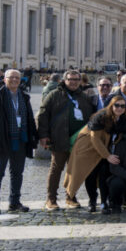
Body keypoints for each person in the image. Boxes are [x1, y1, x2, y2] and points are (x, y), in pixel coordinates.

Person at [37, 70, 94, 210]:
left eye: (76, 79)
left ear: (80, 81)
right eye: (70, 79)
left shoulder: (84, 97)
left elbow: (91, 117)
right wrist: (43, 135)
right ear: (64, 80)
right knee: (56, 169)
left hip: (79, 140)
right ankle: (51, 198)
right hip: (59, 138)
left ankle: (71, 196)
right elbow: (43, 115)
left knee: (74, 170)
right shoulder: (54, 95)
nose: (73, 82)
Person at [64, 97, 126, 213]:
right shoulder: (101, 117)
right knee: (90, 174)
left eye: (122, 106)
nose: (119, 108)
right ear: (111, 106)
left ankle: (104, 202)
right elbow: (95, 139)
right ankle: (92, 201)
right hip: (88, 149)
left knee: (104, 175)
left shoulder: (124, 119)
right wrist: (108, 155)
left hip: (105, 150)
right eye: (117, 105)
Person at [0, 70, 37, 214]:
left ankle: (14, 202)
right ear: (4, 79)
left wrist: (34, 138)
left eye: (17, 78)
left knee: (17, 173)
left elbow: (30, 119)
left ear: (20, 80)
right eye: (11, 77)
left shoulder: (24, 97)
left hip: (20, 139)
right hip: (2, 140)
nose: (14, 80)